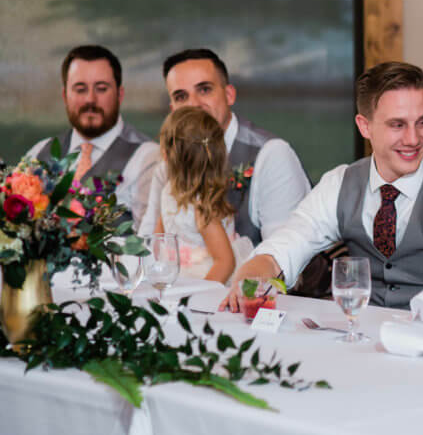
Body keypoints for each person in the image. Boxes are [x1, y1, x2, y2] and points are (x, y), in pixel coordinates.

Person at [222, 61, 423, 311]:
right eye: (398, 125)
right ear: (364, 126)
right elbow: (291, 240)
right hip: (359, 334)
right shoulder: (341, 183)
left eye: (422, 122)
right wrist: (255, 271)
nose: (414, 139)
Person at [138, 48, 310, 245]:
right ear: (172, 110)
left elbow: (285, 255)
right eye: (181, 97)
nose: (194, 105)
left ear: (229, 95)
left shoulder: (271, 154)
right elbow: (147, 245)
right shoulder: (167, 167)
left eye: (204, 90)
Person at [26, 45, 158, 228]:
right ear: (65, 96)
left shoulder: (149, 158)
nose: (90, 99)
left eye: (101, 89)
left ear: (120, 95)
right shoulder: (39, 153)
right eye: (80, 89)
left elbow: (152, 244)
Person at [152, 107, 252, 284]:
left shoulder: (202, 207)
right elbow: (160, 235)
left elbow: (226, 263)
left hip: (208, 276)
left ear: (166, 154)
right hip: (178, 272)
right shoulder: (169, 190)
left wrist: (200, 295)